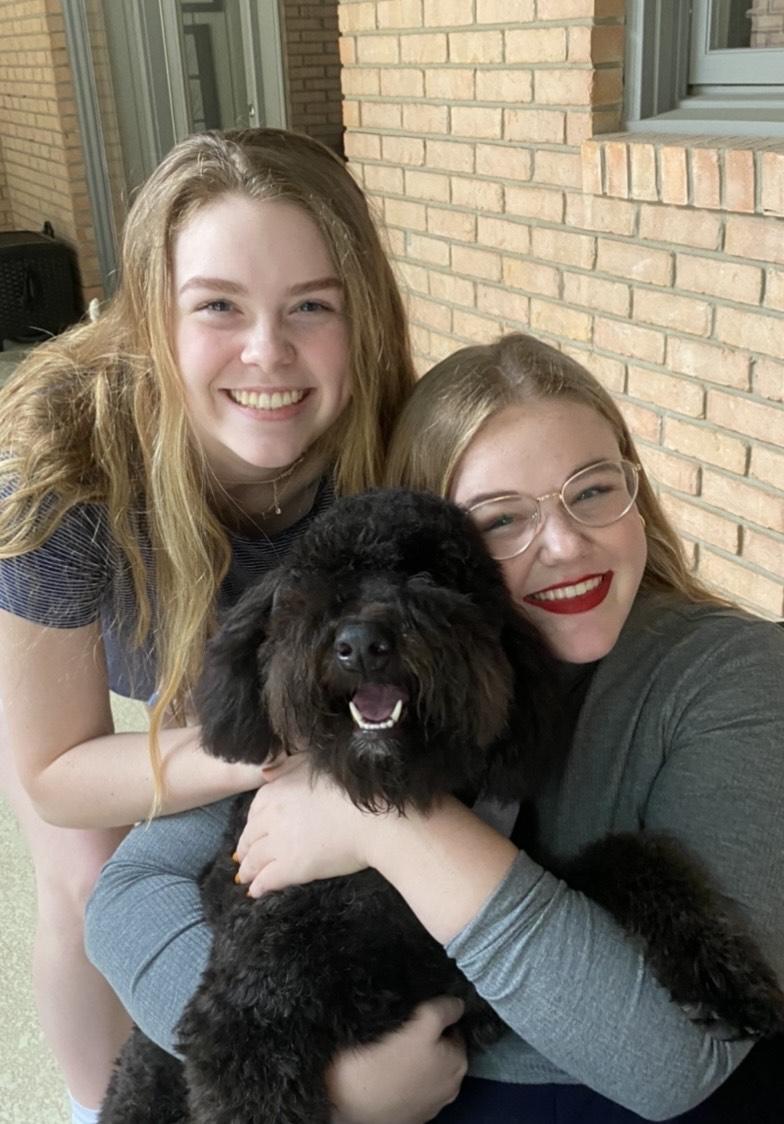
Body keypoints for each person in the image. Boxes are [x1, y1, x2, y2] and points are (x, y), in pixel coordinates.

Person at [169, 331, 781, 1122]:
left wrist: (382, 825)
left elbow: (678, 1060)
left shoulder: (730, 675)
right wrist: (333, 1089)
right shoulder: (346, 692)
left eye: (592, 491)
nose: (563, 546)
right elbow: (130, 895)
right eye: (499, 521)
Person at [0, 126, 417, 1124]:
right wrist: (259, 749)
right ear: (153, 318)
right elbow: (55, 775)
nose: (267, 350)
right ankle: (93, 1102)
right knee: (87, 866)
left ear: (360, 317)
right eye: (218, 306)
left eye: (310, 305)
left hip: (279, 671)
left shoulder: (399, 436)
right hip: (141, 655)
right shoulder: (63, 464)